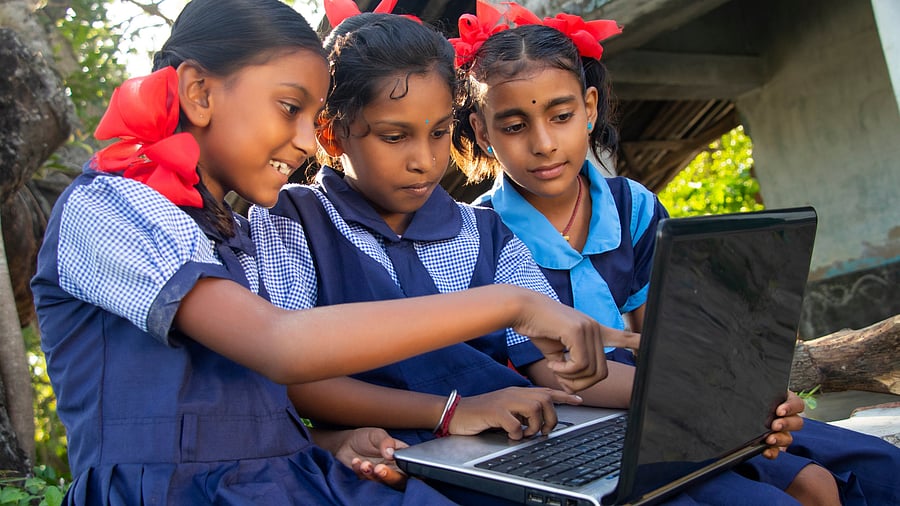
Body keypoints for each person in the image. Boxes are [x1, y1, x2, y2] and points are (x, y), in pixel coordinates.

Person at [28, 0, 631, 503]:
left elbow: (254, 408)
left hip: (289, 476)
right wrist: (510, 304)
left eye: (308, 116)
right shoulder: (108, 207)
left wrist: (329, 442)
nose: (300, 141)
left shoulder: (233, 229)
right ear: (198, 92)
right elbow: (281, 347)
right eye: (290, 108)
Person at [250, 8, 809, 506]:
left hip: (523, 445)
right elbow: (299, 380)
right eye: (395, 137)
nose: (424, 161)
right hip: (408, 454)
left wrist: (717, 394)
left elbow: (559, 366)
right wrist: (448, 412)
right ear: (331, 132)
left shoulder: (484, 231)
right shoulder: (291, 223)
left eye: (439, 133)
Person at [450, 4, 900, 506]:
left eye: (561, 115)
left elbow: (661, 333)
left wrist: (744, 398)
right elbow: (555, 372)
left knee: (882, 469)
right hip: (575, 423)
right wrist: (716, 401)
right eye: (514, 126)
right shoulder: (480, 234)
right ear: (483, 130)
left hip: (670, 399)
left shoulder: (632, 205)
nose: (544, 143)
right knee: (800, 490)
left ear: (590, 106)